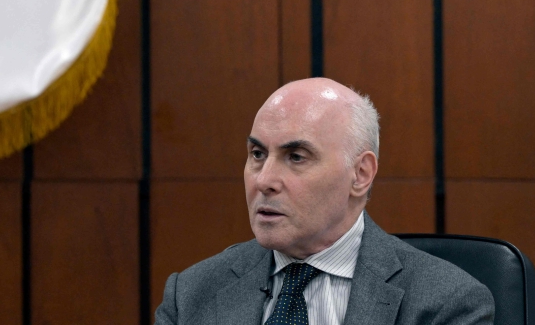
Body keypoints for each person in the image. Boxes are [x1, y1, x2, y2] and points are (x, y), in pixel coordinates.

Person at [154, 77, 494, 325]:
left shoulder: (446, 304)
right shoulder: (191, 296)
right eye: (257, 154)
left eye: (297, 157)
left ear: (360, 174)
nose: (264, 180)